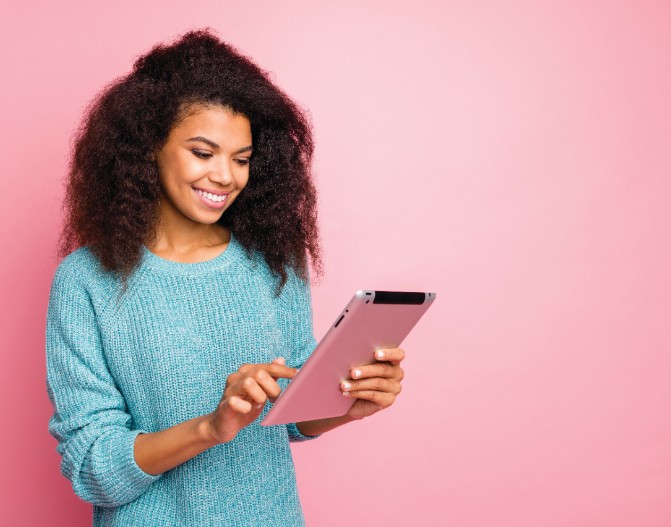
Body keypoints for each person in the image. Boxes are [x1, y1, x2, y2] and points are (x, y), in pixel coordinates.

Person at [46, 28, 406, 526]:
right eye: (202, 152)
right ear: (150, 146)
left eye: (241, 159)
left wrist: (348, 406)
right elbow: (92, 468)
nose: (225, 177)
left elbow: (290, 417)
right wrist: (212, 427)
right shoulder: (86, 280)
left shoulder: (274, 261)